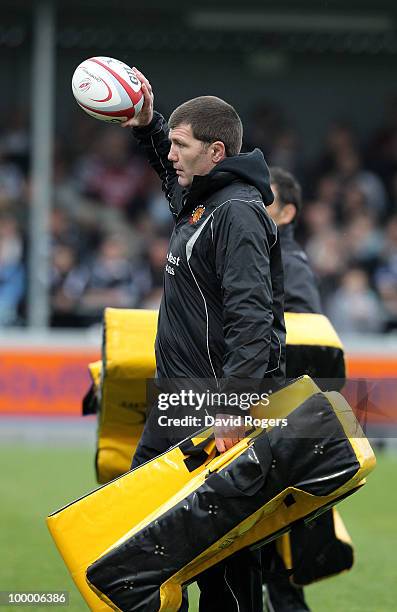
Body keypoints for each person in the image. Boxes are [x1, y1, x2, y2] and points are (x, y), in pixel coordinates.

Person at [122, 68, 286, 612]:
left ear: (215, 151)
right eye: (169, 144)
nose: (171, 155)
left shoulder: (236, 213)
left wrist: (234, 407)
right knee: (145, 539)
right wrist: (149, 126)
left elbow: (252, 318)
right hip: (180, 403)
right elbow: (170, 177)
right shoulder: (203, 200)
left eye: (180, 145)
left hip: (215, 408)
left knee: (223, 562)